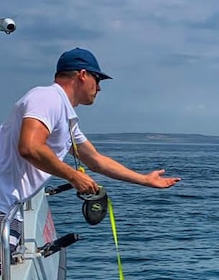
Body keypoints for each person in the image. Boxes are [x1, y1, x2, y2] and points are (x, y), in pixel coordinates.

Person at [0, 47, 180, 252]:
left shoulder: (67, 118)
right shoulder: (47, 98)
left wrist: (145, 180)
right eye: (98, 79)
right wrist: (74, 177)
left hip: (9, 206)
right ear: (83, 75)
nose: (100, 88)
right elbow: (30, 147)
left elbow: (95, 160)